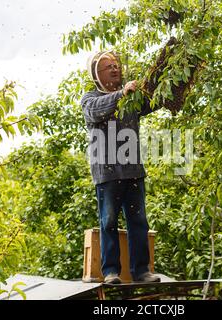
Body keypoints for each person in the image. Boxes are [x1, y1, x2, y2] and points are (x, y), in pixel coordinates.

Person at [81, 51, 160, 284]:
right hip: (107, 173)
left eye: (116, 65)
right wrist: (122, 93)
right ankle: (111, 272)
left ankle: (141, 271)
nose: (115, 69)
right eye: (108, 67)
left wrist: (170, 81)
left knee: (138, 221)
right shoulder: (90, 98)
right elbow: (96, 110)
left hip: (133, 171)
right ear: (97, 75)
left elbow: (154, 100)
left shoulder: (131, 97)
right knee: (108, 221)